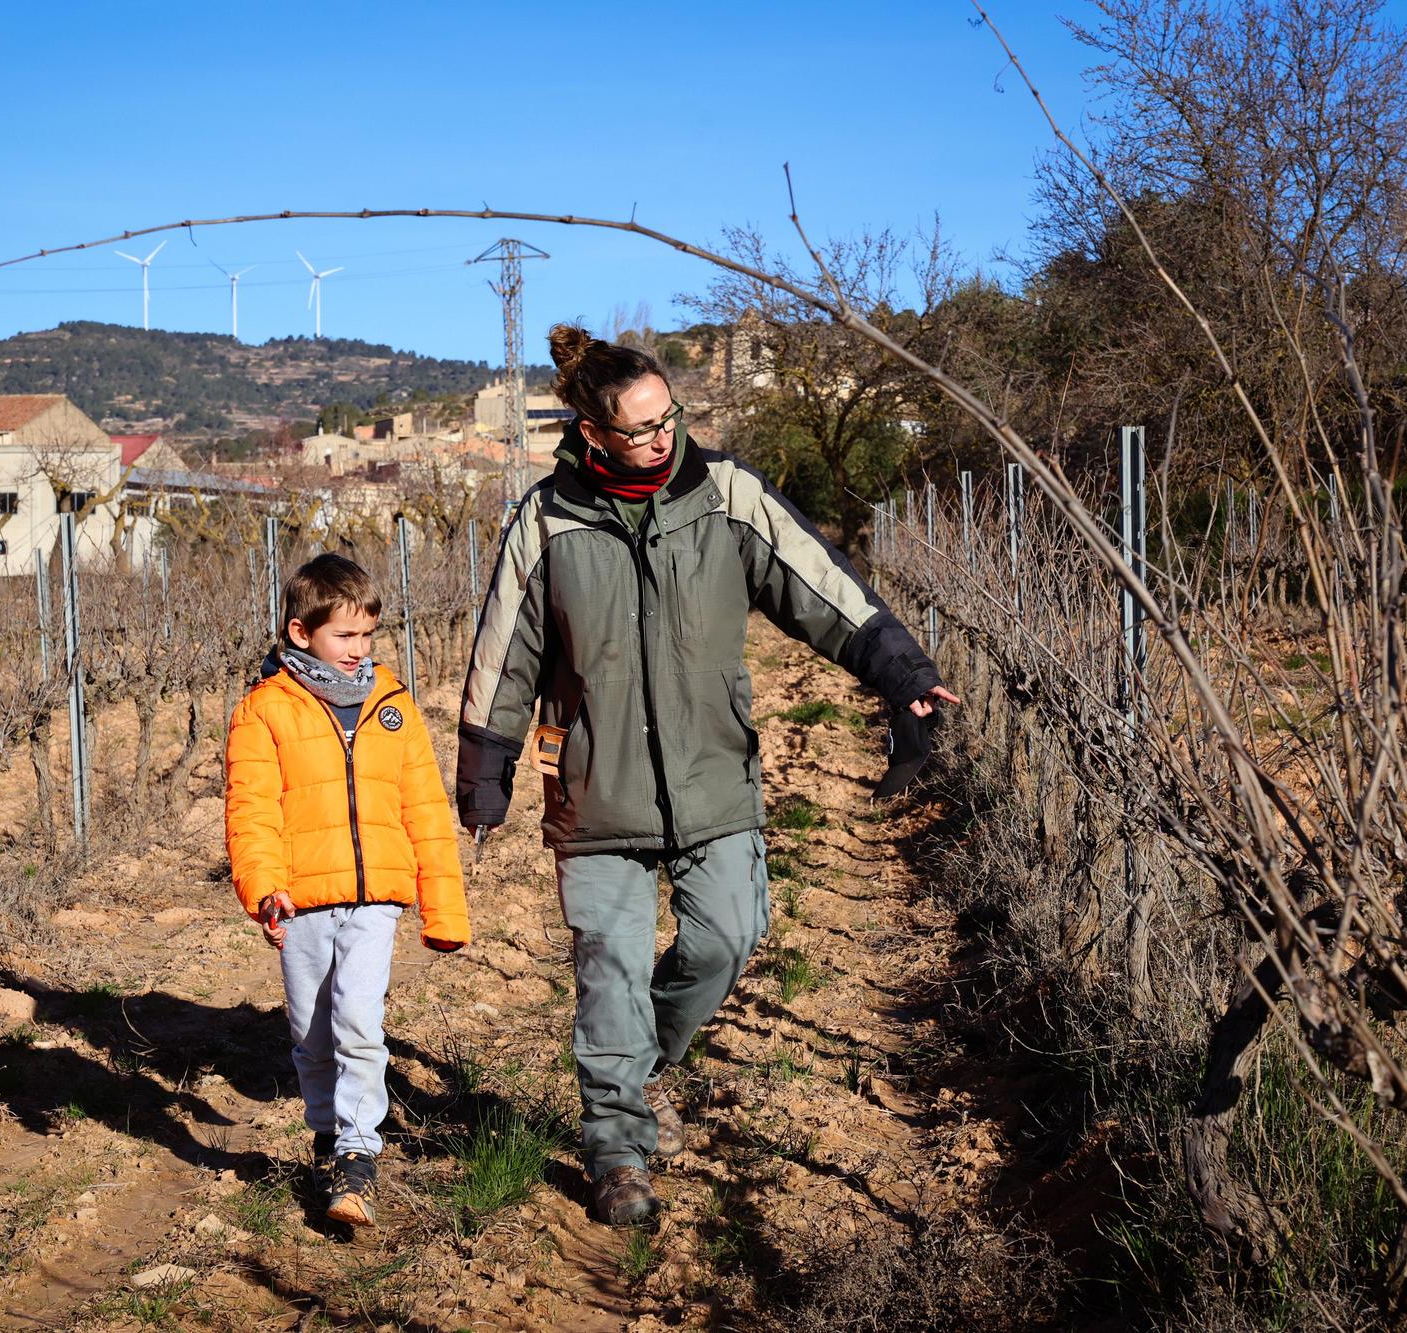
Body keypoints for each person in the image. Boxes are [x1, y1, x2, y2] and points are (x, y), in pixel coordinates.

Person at [456, 325, 958, 1226]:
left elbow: (820, 586)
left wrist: (901, 672)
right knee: (608, 968)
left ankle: (641, 1062)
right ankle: (617, 1149)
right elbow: (505, 651)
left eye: (670, 418)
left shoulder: (724, 493)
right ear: (592, 432)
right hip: (597, 785)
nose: (663, 438)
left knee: (728, 935)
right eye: (641, 428)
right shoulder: (547, 517)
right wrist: (484, 771)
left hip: (714, 773)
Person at [226, 553, 471, 1227]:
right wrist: (264, 888)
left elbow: (426, 808)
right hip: (302, 899)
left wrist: (444, 908)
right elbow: (252, 810)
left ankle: (358, 1153)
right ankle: (326, 1134)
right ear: (301, 632)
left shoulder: (393, 705)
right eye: (344, 635)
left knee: (359, 1023)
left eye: (367, 634)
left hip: (375, 899)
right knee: (312, 1035)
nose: (359, 648)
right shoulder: (264, 710)